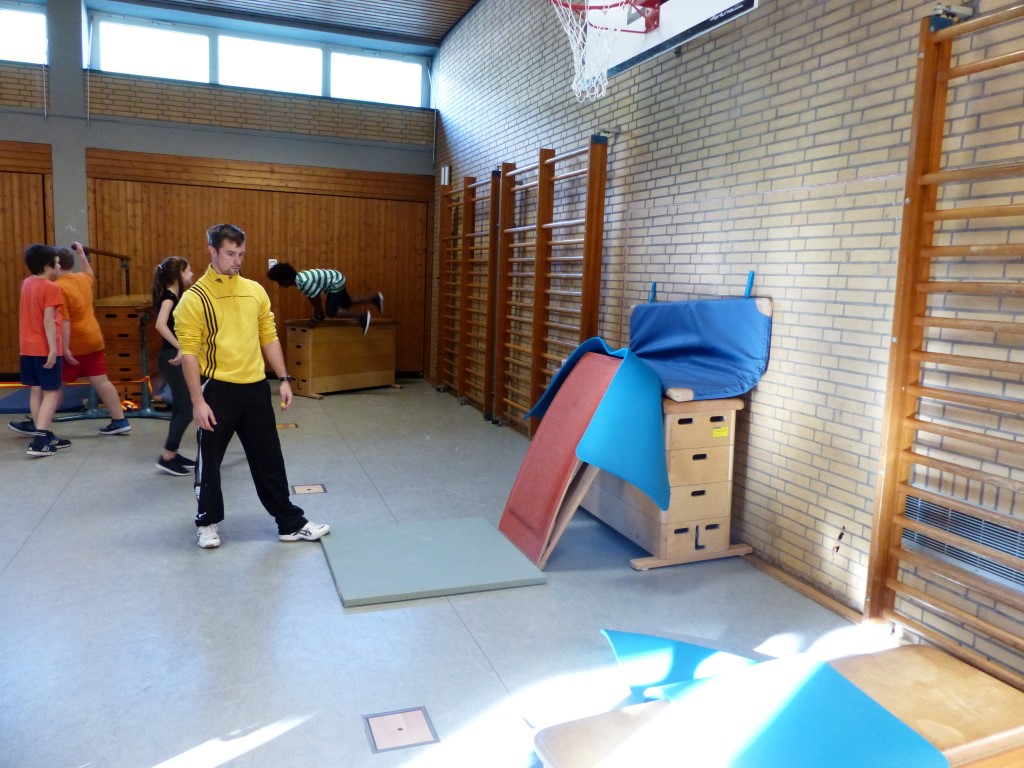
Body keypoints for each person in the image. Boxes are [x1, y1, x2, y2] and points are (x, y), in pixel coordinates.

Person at [174, 223, 330, 549]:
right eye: (230, 253)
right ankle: (206, 522)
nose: (237, 260)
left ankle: (289, 523)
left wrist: (284, 379)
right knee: (210, 462)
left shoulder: (255, 290)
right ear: (212, 251)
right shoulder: (194, 298)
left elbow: (268, 336)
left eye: (241, 254)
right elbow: (188, 353)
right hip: (217, 390)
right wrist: (197, 401)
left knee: (269, 459)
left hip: (256, 389)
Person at [52, 243, 133, 436]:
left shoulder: (58, 288)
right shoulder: (82, 279)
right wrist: (81, 254)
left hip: (75, 343)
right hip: (94, 339)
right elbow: (90, 273)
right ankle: (120, 420)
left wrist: (65, 348)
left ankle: (39, 423)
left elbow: (65, 321)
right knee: (102, 381)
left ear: (56, 265)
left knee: (55, 385)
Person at [8, 244, 71, 457]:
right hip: (44, 348)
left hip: (27, 348)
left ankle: (42, 433)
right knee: (52, 392)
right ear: (47, 265)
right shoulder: (51, 288)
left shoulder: (27, 283)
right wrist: (53, 349)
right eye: (57, 262)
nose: (59, 266)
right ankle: (39, 441)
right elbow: (48, 320)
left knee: (36, 390)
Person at [151, 256, 195, 476]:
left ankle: (173, 453)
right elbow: (160, 325)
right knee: (187, 409)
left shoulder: (176, 296)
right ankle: (167, 456)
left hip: (172, 357)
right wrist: (180, 347)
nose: (192, 274)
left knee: (180, 408)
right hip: (171, 357)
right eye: (188, 271)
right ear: (179, 274)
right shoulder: (169, 296)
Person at [266, 262, 383, 333]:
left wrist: (318, 316)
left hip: (336, 281)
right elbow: (312, 298)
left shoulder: (305, 282)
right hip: (336, 277)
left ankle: (362, 316)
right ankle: (375, 299)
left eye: (279, 281)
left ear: (286, 279)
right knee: (346, 303)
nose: (279, 284)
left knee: (331, 312)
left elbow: (317, 300)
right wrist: (317, 315)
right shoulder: (299, 281)